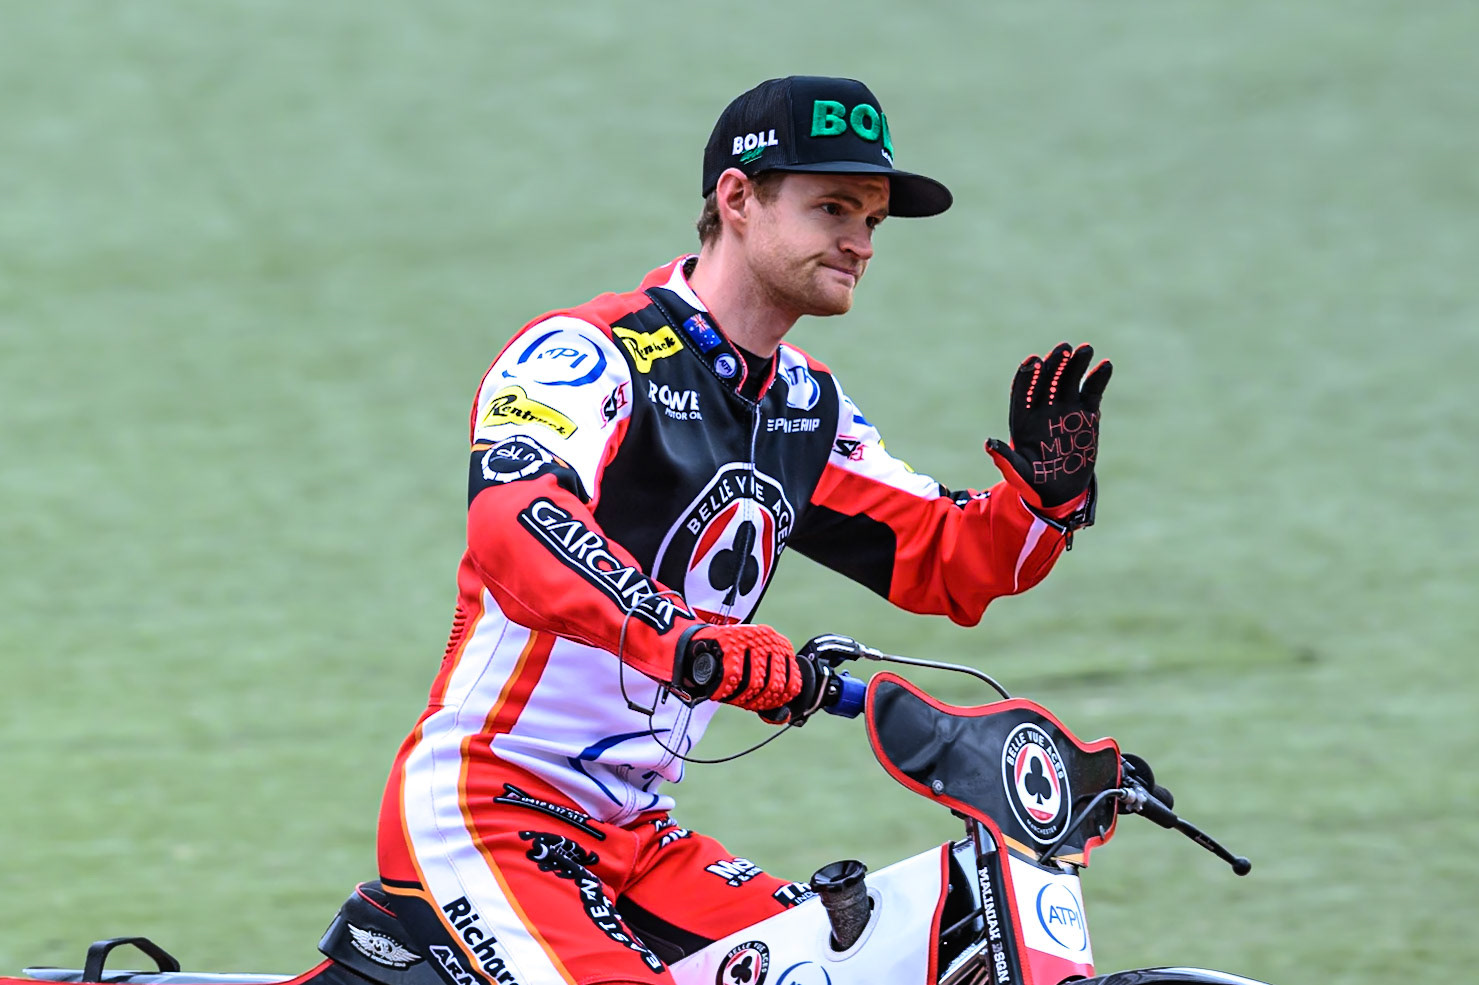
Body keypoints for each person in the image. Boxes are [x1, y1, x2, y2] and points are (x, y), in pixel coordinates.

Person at [373, 75, 1110, 985]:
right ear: (736, 198)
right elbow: (514, 524)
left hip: (638, 834)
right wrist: (684, 637)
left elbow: (944, 562)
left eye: (873, 219)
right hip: (487, 810)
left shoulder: (804, 407)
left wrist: (1040, 501)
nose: (859, 242)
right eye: (832, 206)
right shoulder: (585, 352)